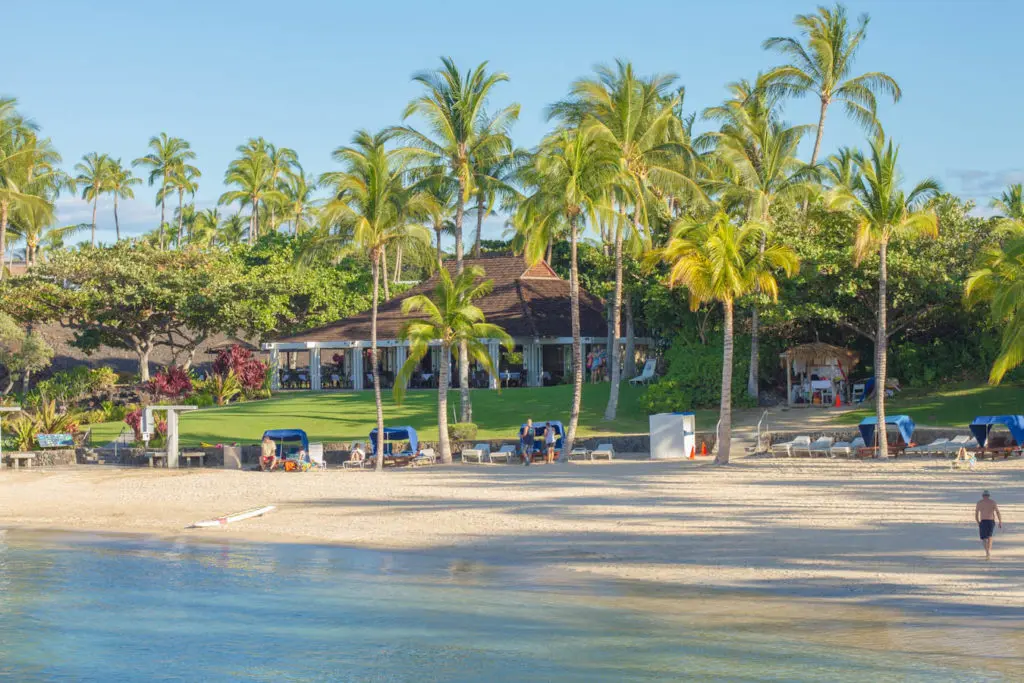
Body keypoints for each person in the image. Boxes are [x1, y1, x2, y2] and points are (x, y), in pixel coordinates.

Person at [975, 490, 1003, 559]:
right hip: (991, 521)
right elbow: (997, 512)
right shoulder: (992, 502)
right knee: (989, 536)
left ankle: (987, 552)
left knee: (984, 538)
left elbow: (976, 514)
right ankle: (988, 551)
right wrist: (1000, 521)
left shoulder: (979, 503)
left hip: (983, 521)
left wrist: (978, 522)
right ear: (988, 496)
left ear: (983, 496)